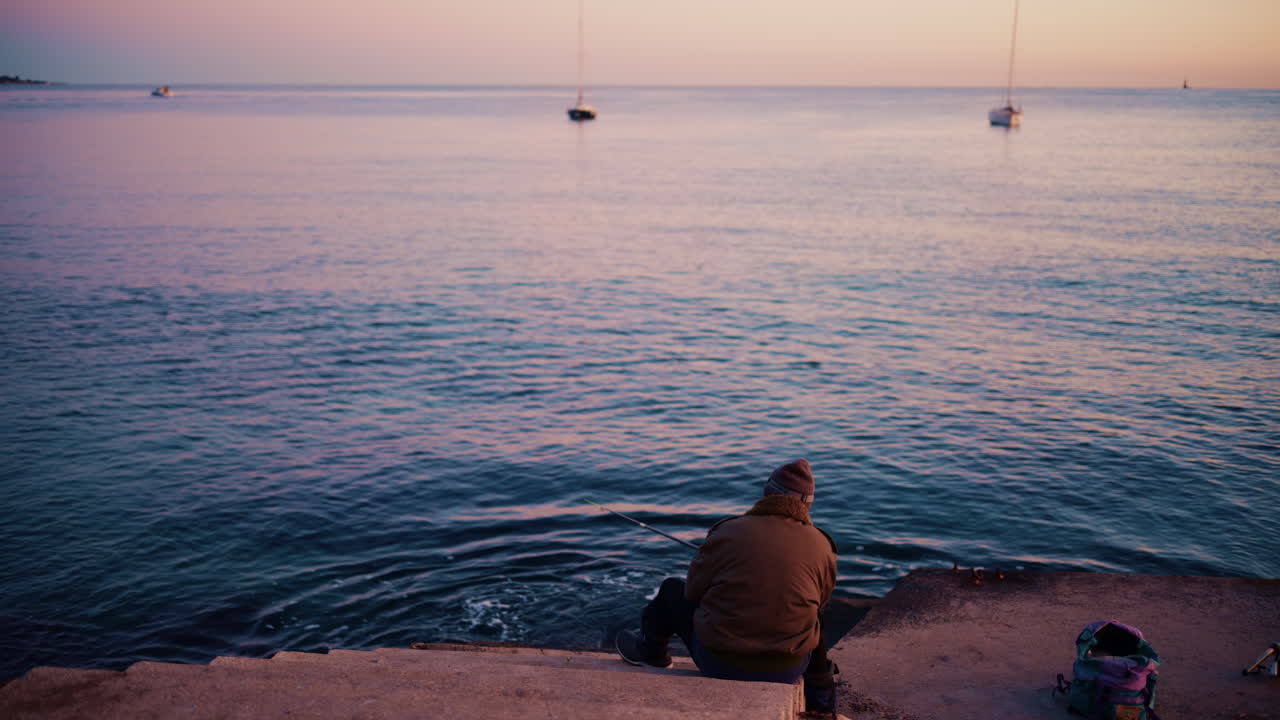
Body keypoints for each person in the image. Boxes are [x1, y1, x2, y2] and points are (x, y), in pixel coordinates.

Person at [614, 458, 840, 714]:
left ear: (768, 493)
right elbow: (822, 600)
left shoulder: (727, 530)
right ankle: (821, 692)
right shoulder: (823, 545)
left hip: (720, 663)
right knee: (812, 613)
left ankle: (652, 653)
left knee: (671, 590)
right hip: (787, 669)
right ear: (808, 503)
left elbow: (692, 593)